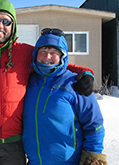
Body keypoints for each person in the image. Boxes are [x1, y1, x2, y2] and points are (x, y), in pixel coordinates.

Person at [0, 0, 95, 165]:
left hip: (14, 145)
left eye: (6, 21)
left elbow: (53, 63)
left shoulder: (24, 53)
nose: (0, 25)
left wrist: (86, 73)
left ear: (12, 27)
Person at [22, 28, 107, 165]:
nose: (47, 57)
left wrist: (92, 159)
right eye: (43, 51)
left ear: (63, 56)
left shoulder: (76, 84)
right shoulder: (29, 81)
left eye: (54, 53)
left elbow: (94, 125)